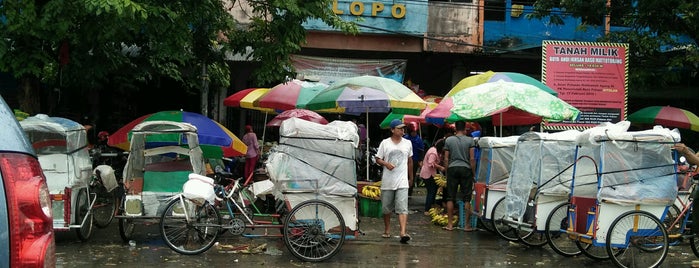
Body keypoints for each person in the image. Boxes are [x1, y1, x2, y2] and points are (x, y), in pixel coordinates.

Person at [374, 119, 413, 244]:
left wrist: (411, 177)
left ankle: (402, 232)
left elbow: (410, 161)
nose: (402, 130)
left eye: (403, 128)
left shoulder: (408, 143)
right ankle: (387, 229)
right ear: (392, 130)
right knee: (386, 208)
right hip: (388, 181)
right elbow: (377, 159)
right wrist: (386, 163)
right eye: (399, 128)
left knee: (402, 208)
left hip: (402, 181)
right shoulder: (385, 143)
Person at [442, 120, 476, 231]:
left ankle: (450, 225)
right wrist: (474, 173)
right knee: (467, 198)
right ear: (465, 128)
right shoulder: (470, 140)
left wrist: (447, 173)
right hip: (466, 169)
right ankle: (466, 225)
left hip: (452, 168)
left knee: (450, 197)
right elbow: (472, 158)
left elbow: (446, 159)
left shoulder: (449, 140)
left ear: (455, 128)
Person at [420, 138, 446, 215]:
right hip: (428, 174)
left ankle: (431, 206)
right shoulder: (433, 152)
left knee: (433, 191)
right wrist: (440, 167)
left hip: (431, 173)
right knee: (432, 191)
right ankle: (427, 209)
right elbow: (431, 163)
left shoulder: (434, 150)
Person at [403, 122, 424, 196]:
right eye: (413, 132)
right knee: (404, 176)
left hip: (415, 160)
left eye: (415, 132)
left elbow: (421, 151)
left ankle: (409, 192)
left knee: (412, 176)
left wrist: (420, 160)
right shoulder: (405, 138)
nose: (414, 133)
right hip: (405, 160)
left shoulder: (418, 140)